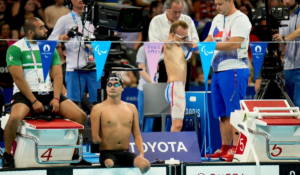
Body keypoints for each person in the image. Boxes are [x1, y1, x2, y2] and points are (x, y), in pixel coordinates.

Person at [2, 17, 90, 168]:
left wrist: (56, 98)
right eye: (42, 28)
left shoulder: (49, 47)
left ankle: (74, 155)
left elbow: (57, 75)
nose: (46, 30)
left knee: (81, 116)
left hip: (48, 92)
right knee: (14, 118)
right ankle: (7, 155)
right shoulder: (16, 48)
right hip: (26, 94)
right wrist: (34, 101)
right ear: (30, 32)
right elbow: (17, 78)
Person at [203, 0, 251, 161]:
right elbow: (210, 38)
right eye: (215, 4)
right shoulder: (217, 18)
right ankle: (225, 148)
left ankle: (236, 149)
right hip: (217, 70)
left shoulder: (241, 19)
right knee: (222, 114)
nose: (216, 7)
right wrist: (199, 45)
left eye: (220, 3)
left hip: (234, 69)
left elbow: (235, 43)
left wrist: (210, 47)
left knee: (235, 112)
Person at [90, 73, 150, 174]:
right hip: (107, 153)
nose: (112, 87)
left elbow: (137, 134)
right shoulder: (98, 108)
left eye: (116, 84)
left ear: (122, 88)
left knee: (145, 165)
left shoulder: (131, 108)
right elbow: (95, 137)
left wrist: (141, 152)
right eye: (109, 85)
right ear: (106, 88)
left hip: (125, 152)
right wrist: (97, 140)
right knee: (109, 164)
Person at [48, 0, 101, 104]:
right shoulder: (64, 20)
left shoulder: (96, 18)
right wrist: (60, 37)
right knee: (74, 105)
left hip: (95, 69)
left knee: (97, 105)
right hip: (74, 70)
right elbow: (49, 43)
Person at [148, 0, 199, 90]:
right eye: (175, 12)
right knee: (164, 98)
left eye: (180, 11)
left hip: (184, 63)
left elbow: (196, 43)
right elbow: (153, 46)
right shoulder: (156, 21)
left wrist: (188, 43)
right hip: (164, 64)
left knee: (182, 96)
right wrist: (170, 43)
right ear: (167, 8)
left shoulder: (187, 20)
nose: (178, 15)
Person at [164, 20, 198, 132]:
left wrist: (190, 43)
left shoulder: (179, 48)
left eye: (186, 36)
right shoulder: (169, 45)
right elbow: (167, 42)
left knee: (178, 124)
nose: (185, 39)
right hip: (175, 87)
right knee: (177, 124)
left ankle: (172, 147)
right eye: (183, 37)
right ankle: (171, 149)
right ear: (173, 34)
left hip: (179, 87)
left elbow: (196, 48)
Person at [272, 0, 300, 108]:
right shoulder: (282, 15)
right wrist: (276, 45)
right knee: (289, 107)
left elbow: (299, 31)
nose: (287, 1)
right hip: (287, 67)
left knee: (298, 106)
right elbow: (282, 44)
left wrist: (284, 38)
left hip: (299, 67)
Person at [136, 44, 153, 131]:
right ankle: (143, 140)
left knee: (161, 118)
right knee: (143, 119)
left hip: (162, 88)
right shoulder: (143, 49)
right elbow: (141, 70)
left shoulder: (167, 49)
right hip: (145, 88)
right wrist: (153, 83)